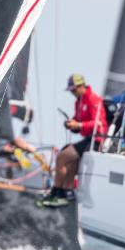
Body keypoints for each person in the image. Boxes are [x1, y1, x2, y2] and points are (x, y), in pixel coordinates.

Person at [38, 74, 107, 208]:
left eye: (74, 90)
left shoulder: (93, 99)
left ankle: (56, 192)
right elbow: (78, 121)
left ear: (82, 86)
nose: (72, 93)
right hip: (87, 139)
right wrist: (71, 124)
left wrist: (79, 125)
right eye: (70, 91)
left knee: (62, 157)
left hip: (96, 140)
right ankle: (67, 192)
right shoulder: (78, 102)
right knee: (70, 159)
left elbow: (98, 123)